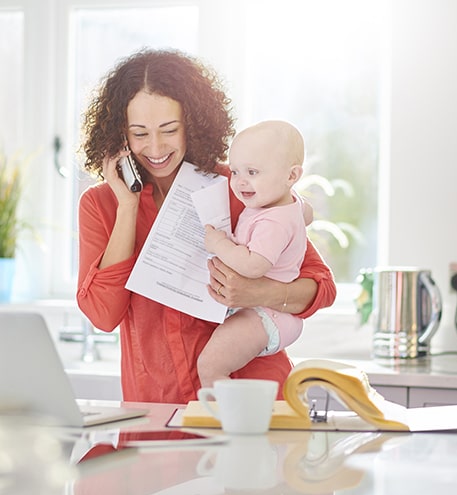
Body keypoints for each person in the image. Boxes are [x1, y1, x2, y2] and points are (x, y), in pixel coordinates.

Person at [77, 48, 337, 404]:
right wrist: (128, 207)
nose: (155, 148)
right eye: (140, 133)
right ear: (120, 134)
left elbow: (321, 288)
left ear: (193, 123)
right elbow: (103, 315)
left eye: (169, 130)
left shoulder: (240, 186)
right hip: (158, 404)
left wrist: (258, 293)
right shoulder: (101, 204)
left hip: (252, 398)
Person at [197, 120, 310, 387]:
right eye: (235, 171)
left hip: (265, 315)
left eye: (253, 171)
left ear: (291, 176)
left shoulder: (274, 222)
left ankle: (225, 418)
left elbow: (254, 266)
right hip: (266, 313)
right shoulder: (285, 203)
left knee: (210, 365)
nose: (240, 182)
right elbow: (307, 213)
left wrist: (219, 244)